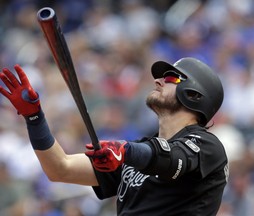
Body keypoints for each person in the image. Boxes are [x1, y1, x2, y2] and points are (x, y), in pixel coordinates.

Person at [0, 57, 228, 215]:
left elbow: (170, 159)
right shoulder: (138, 152)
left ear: (194, 95)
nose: (158, 80)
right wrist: (34, 118)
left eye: (171, 78)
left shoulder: (207, 146)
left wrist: (124, 150)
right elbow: (60, 168)